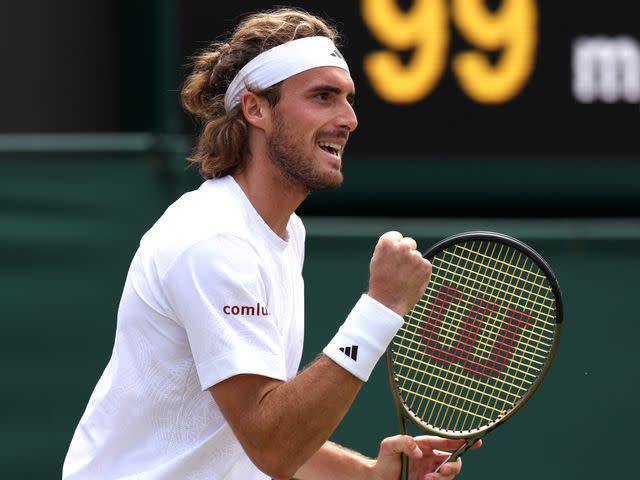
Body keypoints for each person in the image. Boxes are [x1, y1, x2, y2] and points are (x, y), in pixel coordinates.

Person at [63, 8, 479, 480]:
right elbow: (272, 443)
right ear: (256, 109)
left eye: (347, 99)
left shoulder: (282, 231)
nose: (349, 119)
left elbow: (252, 433)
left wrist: (368, 474)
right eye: (323, 96)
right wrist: (381, 306)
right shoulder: (212, 240)